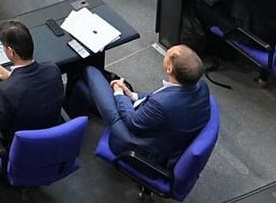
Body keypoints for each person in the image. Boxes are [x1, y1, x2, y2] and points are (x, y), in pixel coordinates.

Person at [84, 45, 212, 172]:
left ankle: (85, 70)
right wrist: (131, 95)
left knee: (91, 72)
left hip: (139, 149)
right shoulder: (201, 86)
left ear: (169, 68)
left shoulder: (162, 105)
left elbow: (132, 122)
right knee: (85, 87)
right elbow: (159, 97)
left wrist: (119, 93)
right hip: (167, 136)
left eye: (167, 53)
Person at [0, 19, 65, 149]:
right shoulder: (53, 70)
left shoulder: (6, 89)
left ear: (10, 51)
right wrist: (11, 76)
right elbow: (31, 87)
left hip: (21, 147)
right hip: (52, 137)